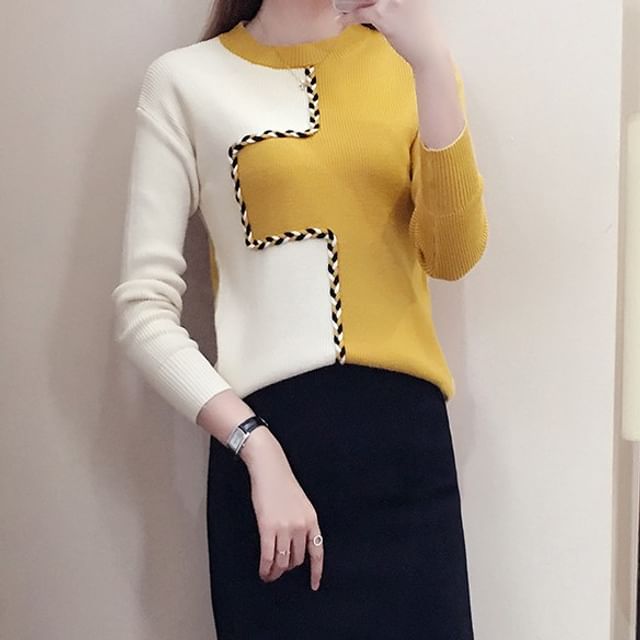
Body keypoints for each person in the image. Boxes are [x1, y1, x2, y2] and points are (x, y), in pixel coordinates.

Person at [111, 0, 489, 637]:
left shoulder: (409, 63)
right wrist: (254, 446)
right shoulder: (185, 80)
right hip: (269, 458)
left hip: (406, 453)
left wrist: (429, 62)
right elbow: (142, 310)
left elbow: (452, 256)